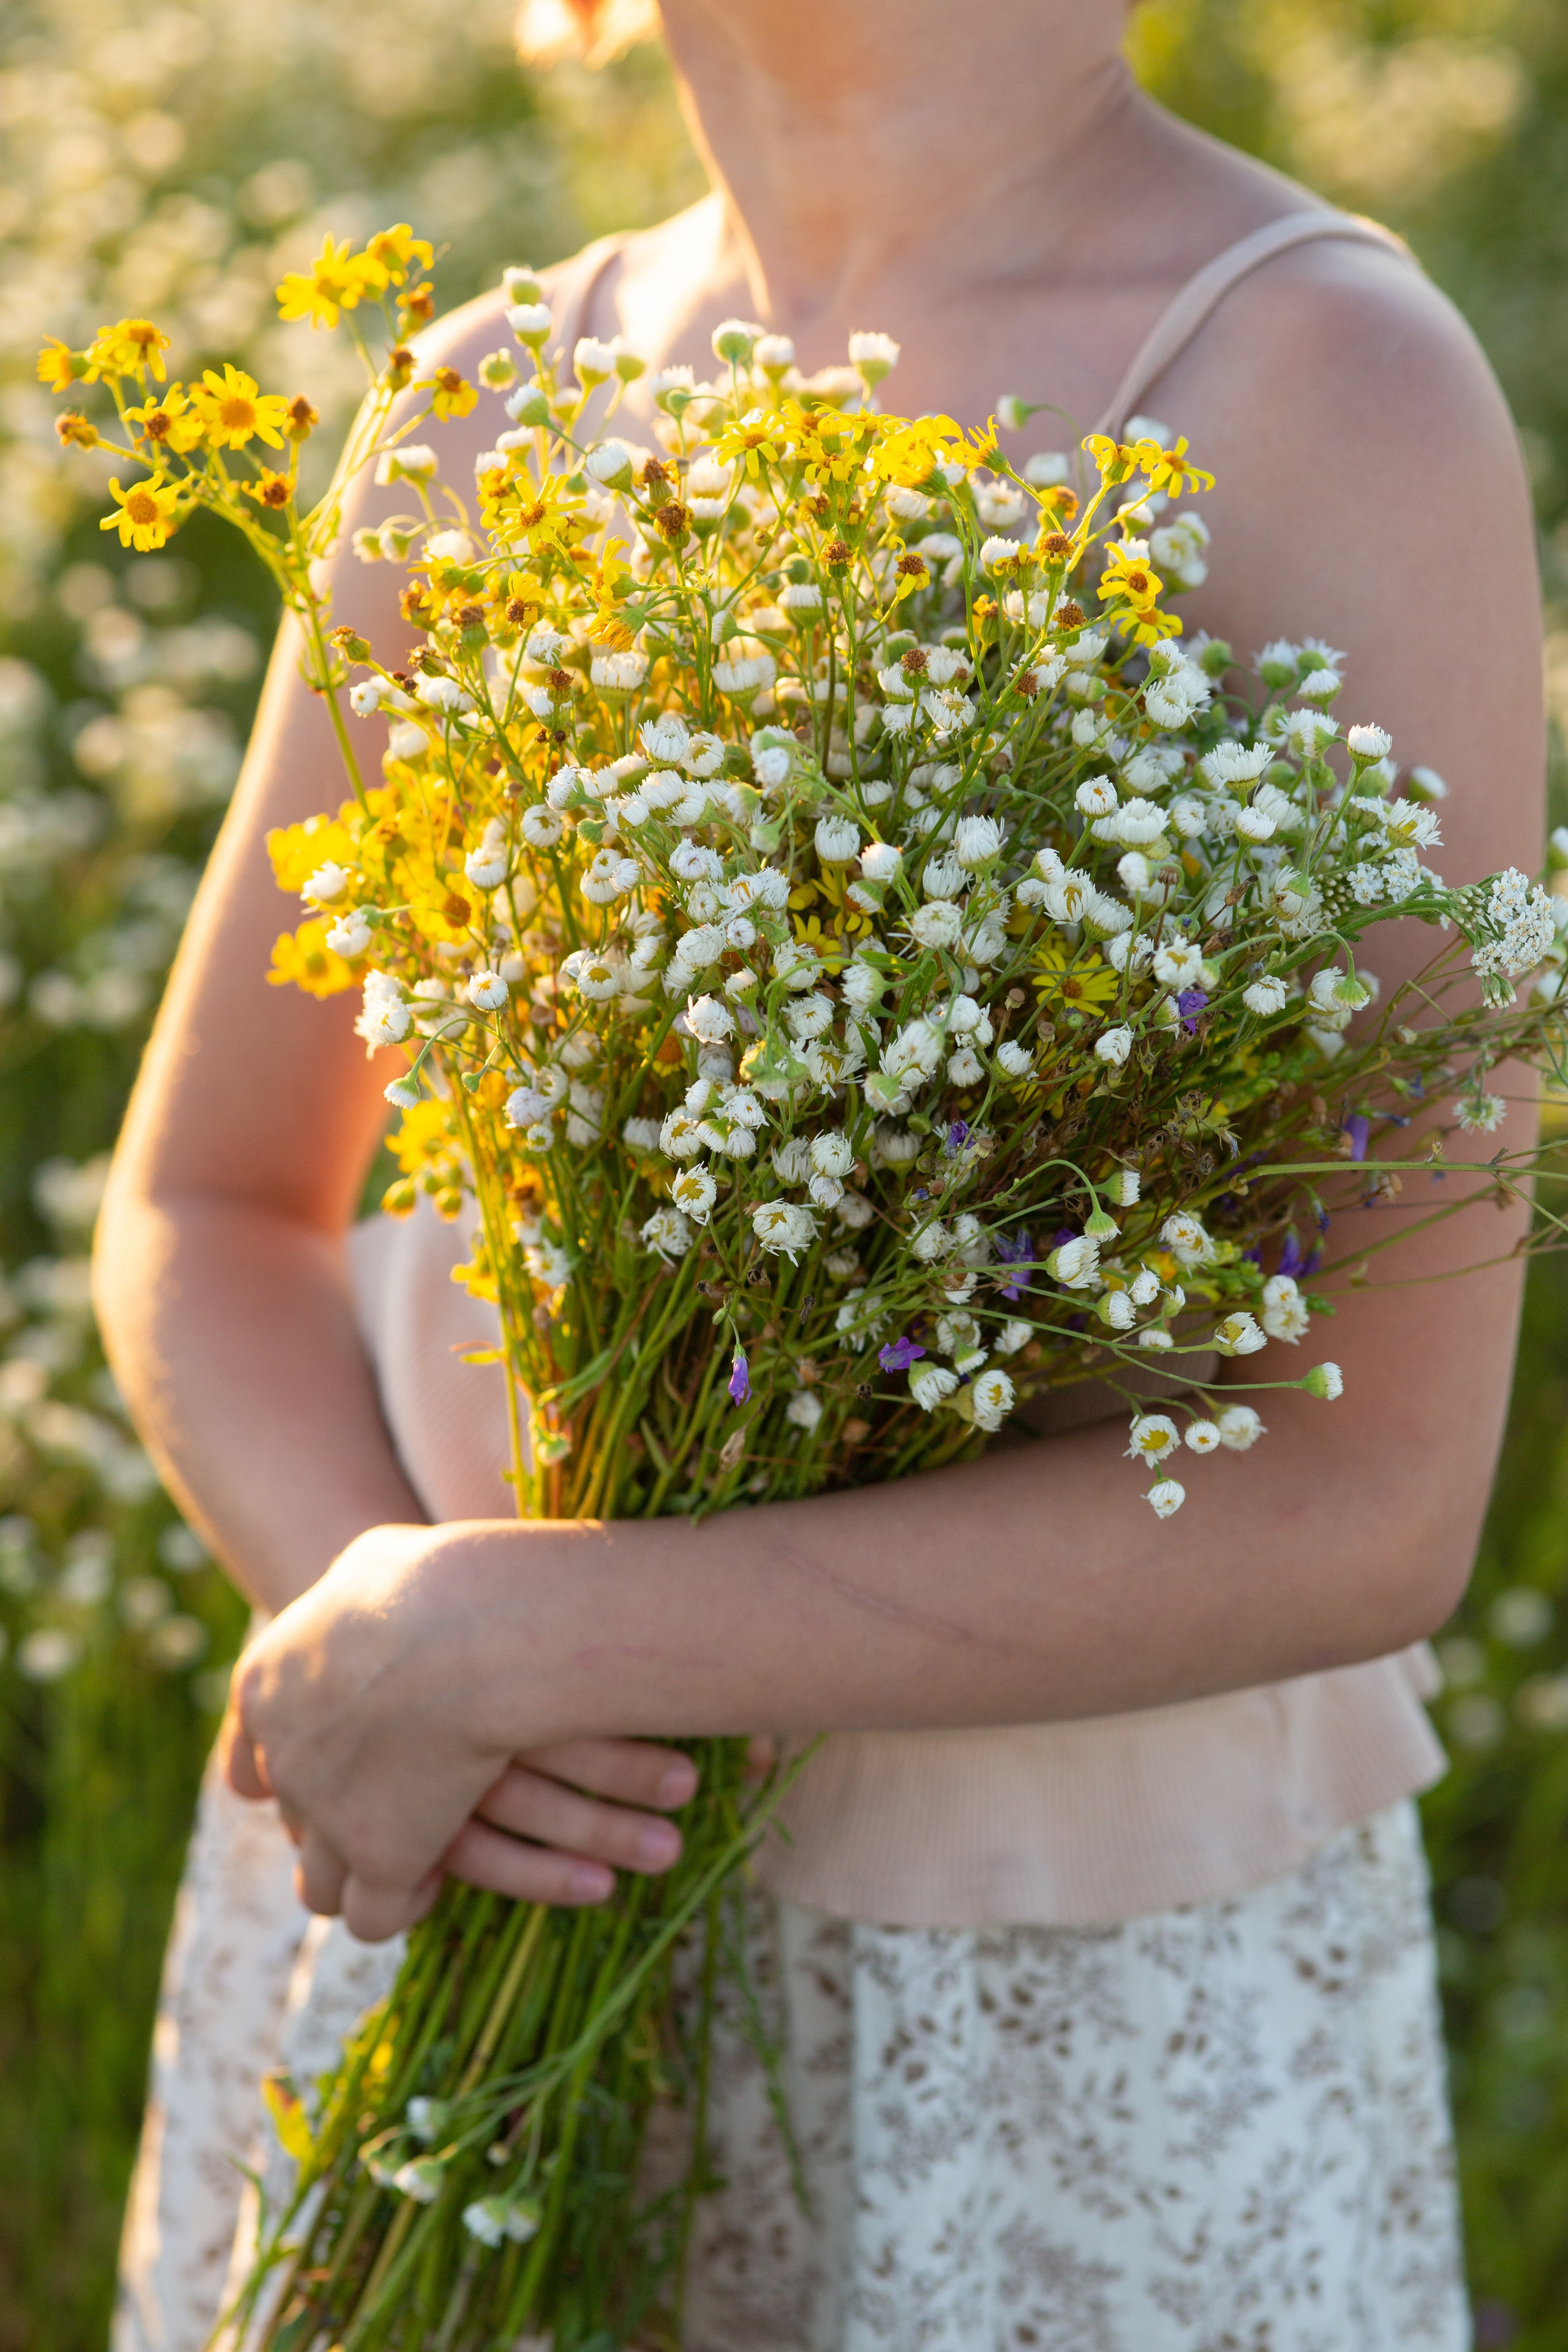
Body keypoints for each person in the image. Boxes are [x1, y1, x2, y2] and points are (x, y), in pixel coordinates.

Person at [103, 1, 1544, 2345]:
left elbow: (1367, 1490)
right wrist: (401, 1660)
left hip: (1046, 1996)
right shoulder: (482, 399)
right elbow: (215, 1209)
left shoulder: (1324, 381)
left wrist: (528, 1642)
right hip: (451, 1871)